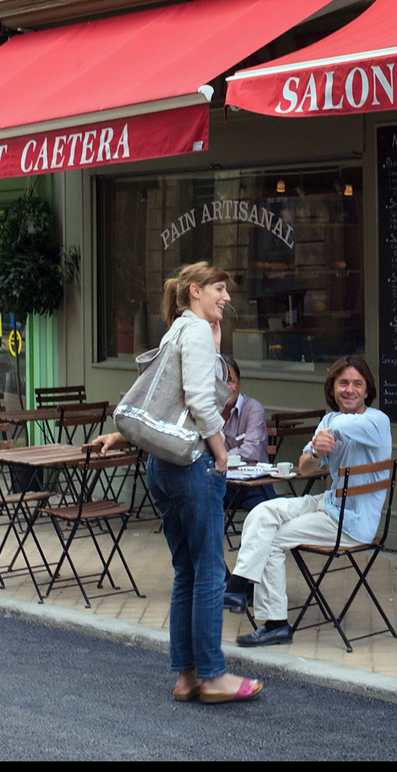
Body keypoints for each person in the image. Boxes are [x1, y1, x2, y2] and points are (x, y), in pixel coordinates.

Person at [91, 262, 263, 704]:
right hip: (192, 465)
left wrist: (218, 344)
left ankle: (186, 676)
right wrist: (222, 454)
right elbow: (201, 402)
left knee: (186, 570)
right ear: (194, 292)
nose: (226, 297)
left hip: (161, 467)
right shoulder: (197, 334)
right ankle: (212, 675)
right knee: (209, 571)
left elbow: (164, 398)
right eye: (219, 289)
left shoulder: (178, 331)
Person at [224, 355, 392, 647]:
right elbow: (304, 468)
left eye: (357, 384)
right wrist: (315, 453)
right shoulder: (329, 421)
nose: (349, 390)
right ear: (332, 388)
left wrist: (324, 436)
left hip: (351, 521)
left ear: (367, 390)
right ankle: (238, 586)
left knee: (273, 539)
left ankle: (274, 622)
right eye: (343, 383)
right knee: (264, 511)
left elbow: (341, 427)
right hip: (328, 503)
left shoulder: (377, 420)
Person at [220, 356, 276, 515]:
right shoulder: (207, 411)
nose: (226, 387)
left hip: (254, 484)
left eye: (230, 381)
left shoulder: (253, 408)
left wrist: (218, 457)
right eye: (220, 382)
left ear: (239, 383)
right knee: (196, 501)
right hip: (222, 484)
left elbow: (251, 452)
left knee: (267, 515)